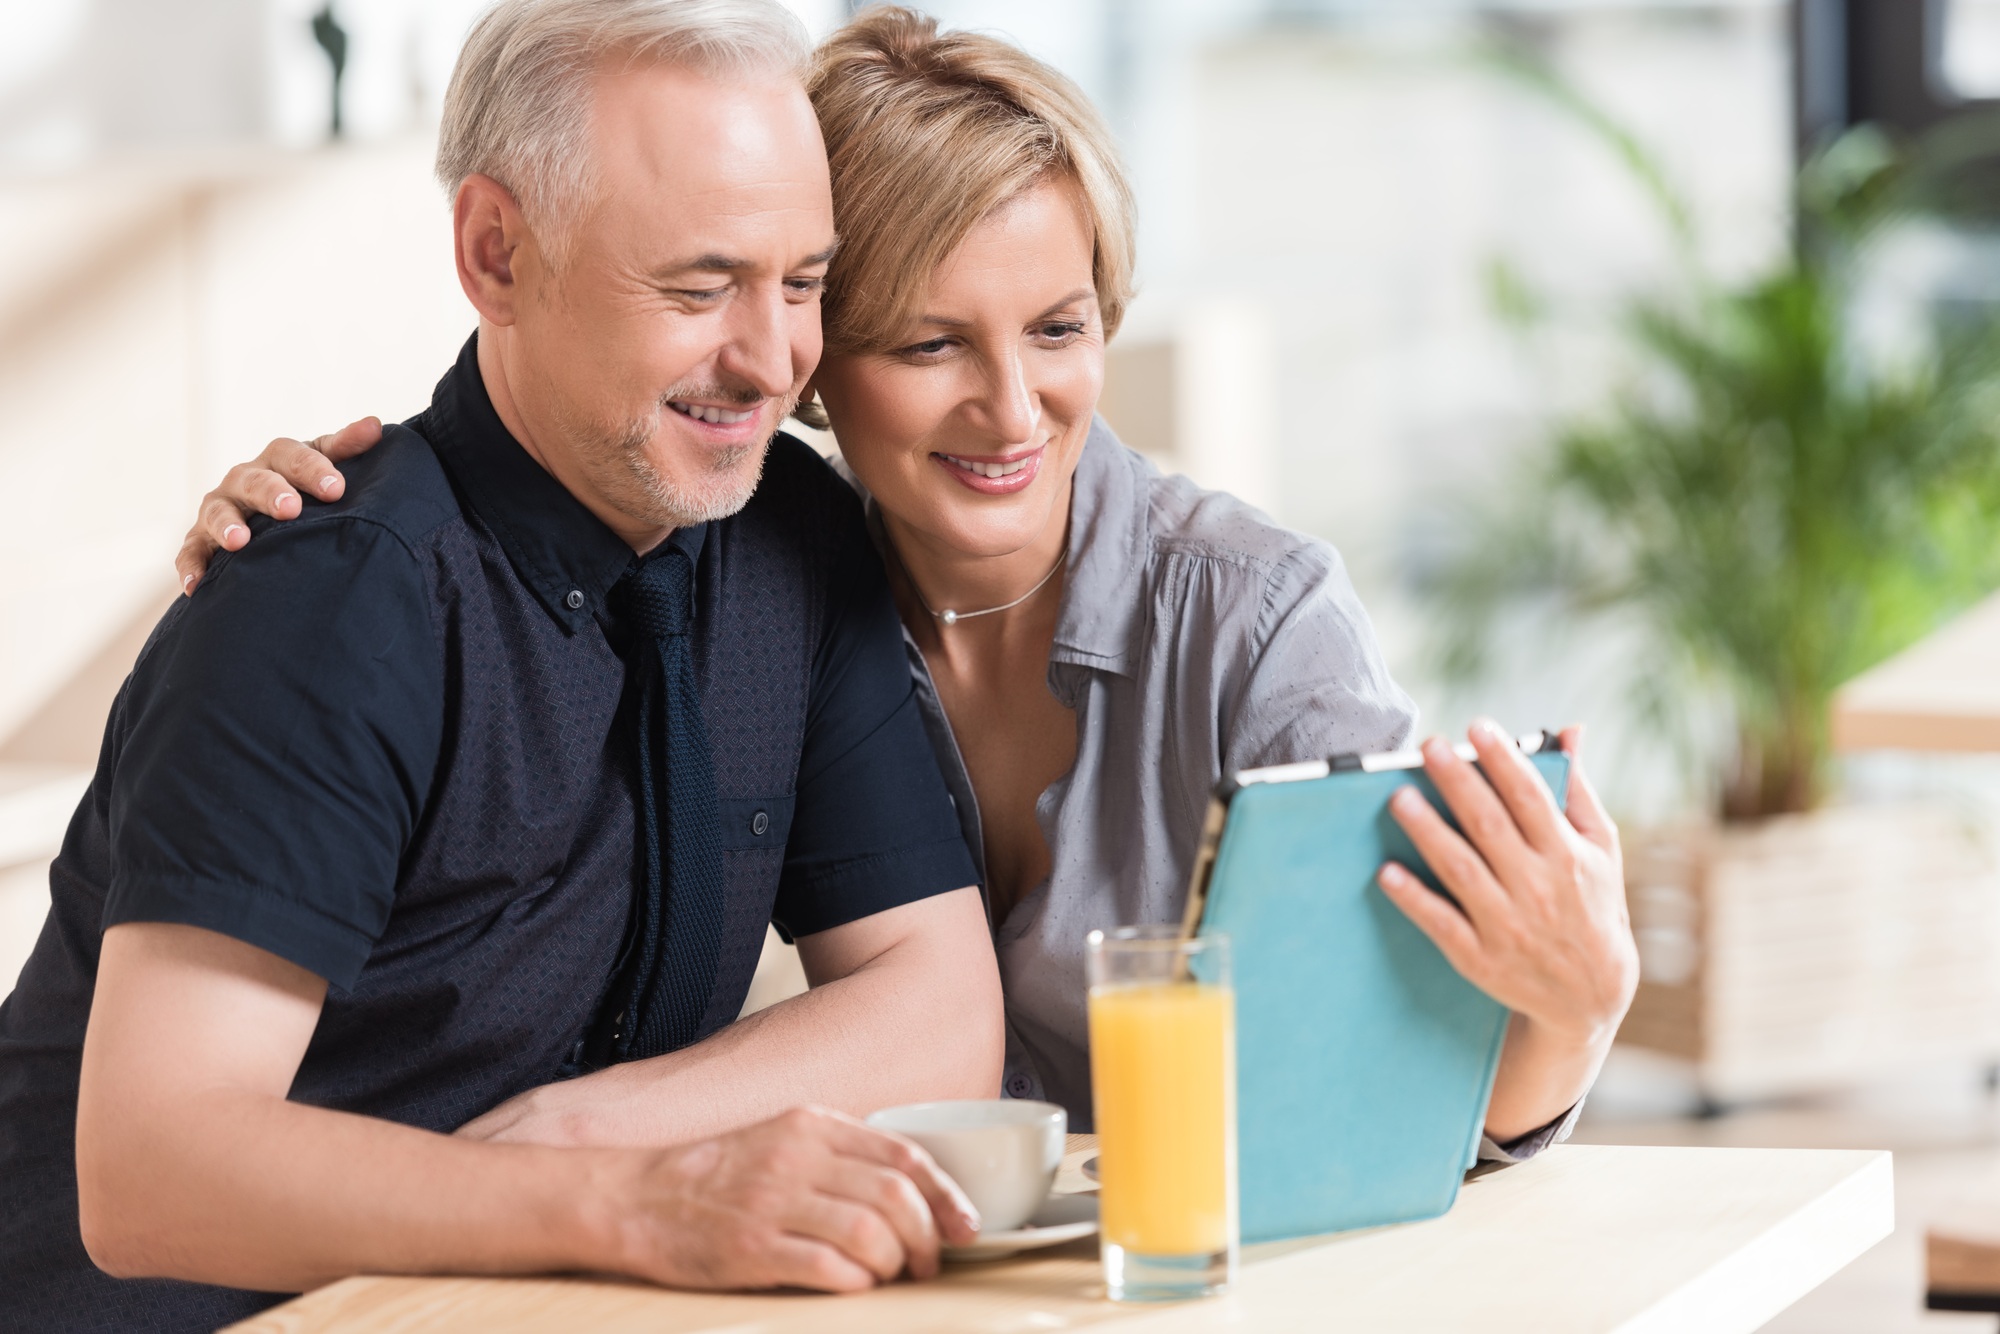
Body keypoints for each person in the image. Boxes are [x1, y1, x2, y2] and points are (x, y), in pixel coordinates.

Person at [184, 9, 1639, 1155]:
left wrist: (1570, 1026)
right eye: (931, 344)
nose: (1013, 409)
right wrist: (316, 530)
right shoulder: (758, 571)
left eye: (1060, 327)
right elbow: (531, 467)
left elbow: (1402, 1101)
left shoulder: (1253, 622)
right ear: (823, 363)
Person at [0, 3, 1011, 1329]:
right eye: (701, 286)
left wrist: (581, 1140)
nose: (770, 360)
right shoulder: (331, 595)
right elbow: (152, 1172)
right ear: (498, 255)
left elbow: (939, 1014)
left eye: (803, 282)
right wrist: (637, 1201)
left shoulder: (790, 541)